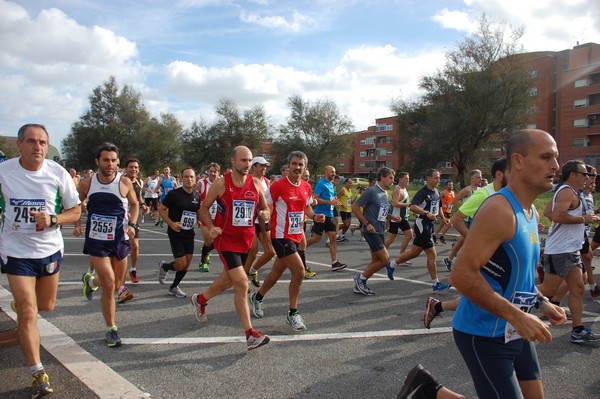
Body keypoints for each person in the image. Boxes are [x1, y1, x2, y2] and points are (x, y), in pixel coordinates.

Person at [450, 129, 567, 399]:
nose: (555, 166)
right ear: (517, 161)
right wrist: (517, 315)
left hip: (515, 328)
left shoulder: (531, 211)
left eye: (556, 158)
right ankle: (430, 392)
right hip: (483, 333)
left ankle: (427, 390)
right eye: (546, 157)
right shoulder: (499, 210)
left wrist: (542, 302)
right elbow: (461, 275)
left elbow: (520, 276)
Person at [0, 124, 81, 398]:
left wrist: (54, 219)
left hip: (49, 250)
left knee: (45, 306)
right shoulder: (4, 171)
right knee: (27, 311)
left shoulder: (57, 173)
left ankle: (26, 303)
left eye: (43, 142)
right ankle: (38, 372)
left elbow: (76, 210)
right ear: (20, 145)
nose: (38, 147)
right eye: (32, 142)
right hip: (16, 251)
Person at [189, 146, 271, 350]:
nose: (247, 164)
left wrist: (265, 214)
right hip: (226, 241)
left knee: (227, 280)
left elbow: (264, 208)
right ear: (233, 161)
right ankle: (250, 334)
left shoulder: (257, 184)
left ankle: (200, 299)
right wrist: (210, 227)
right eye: (243, 160)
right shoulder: (221, 183)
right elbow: (203, 208)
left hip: (246, 241)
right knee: (242, 283)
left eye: (249, 160)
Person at [425, 158, 508, 328]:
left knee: (486, 293)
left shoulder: (511, 195)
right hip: (487, 253)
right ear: (500, 175)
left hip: (502, 251)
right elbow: (457, 219)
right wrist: (474, 239)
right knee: (488, 293)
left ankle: (438, 306)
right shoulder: (484, 194)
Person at [249, 151, 324, 330]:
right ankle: (293, 313)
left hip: (297, 235)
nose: (297, 167)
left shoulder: (306, 186)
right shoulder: (278, 186)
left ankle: (257, 297)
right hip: (281, 236)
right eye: (294, 164)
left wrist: (315, 216)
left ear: (305, 167)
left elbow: (306, 208)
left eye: (300, 165)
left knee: (276, 273)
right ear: (288, 166)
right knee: (299, 272)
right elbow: (265, 203)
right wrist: (266, 212)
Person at [74, 142, 139, 348]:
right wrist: (76, 223)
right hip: (96, 241)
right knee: (110, 283)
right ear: (97, 161)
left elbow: (135, 204)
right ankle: (111, 328)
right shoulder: (87, 183)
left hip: (119, 239)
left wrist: (132, 224)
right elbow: (75, 204)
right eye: (105, 160)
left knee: (117, 284)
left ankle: (91, 283)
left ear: (117, 162)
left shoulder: (125, 182)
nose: (110, 164)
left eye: (113, 160)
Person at [537, 159, 600, 343]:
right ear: (573, 175)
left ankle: (578, 331)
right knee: (547, 289)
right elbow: (556, 215)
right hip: (560, 250)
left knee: (578, 288)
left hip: (571, 249)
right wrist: (583, 219)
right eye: (584, 174)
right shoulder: (566, 192)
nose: (587, 177)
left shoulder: (572, 192)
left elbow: (549, 211)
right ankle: (508, 302)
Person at [386, 169, 451, 291]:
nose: (438, 180)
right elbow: (413, 206)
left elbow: (439, 207)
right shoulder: (422, 193)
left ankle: (392, 264)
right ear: (428, 178)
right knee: (432, 254)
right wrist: (426, 213)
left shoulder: (436, 192)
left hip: (430, 225)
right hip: (422, 224)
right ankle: (435, 283)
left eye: (439, 178)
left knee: (414, 253)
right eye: (436, 178)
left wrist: (443, 218)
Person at [351, 167, 399, 295]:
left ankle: (360, 284)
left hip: (380, 230)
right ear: (382, 177)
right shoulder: (372, 191)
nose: (392, 181)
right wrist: (366, 224)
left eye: (393, 178)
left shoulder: (385, 193)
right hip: (371, 230)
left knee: (376, 260)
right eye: (390, 178)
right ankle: (360, 279)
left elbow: (381, 212)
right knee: (385, 259)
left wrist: (391, 216)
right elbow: (355, 207)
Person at [157, 167, 202, 298]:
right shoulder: (174, 194)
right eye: (186, 177)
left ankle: (173, 286)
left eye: (191, 177)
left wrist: (202, 222)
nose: (189, 179)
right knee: (181, 264)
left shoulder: (197, 195)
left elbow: (198, 211)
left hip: (189, 233)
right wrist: (171, 223)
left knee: (186, 265)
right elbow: (161, 209)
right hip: (176, 233)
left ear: (195, 179)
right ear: (181, 179)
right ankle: (165, 267)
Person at [305, 165, 347, 271]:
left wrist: (336, 202)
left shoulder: (331, 185)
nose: (334, 173)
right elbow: (315, 199)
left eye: (334, 172)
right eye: (332, 172)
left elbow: (332, 198)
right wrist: (329, 202)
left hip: (330, 215)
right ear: (326, 172)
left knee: (333, 238)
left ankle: (334, 263)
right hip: (321, 215)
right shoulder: (321, 183)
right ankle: (299, 248)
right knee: (316, 239)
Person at [244, 157, 276, 287]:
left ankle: (253, 270)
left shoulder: (267, 182)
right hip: (250, 221)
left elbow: (269, 203)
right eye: (261, 166)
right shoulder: (248, 180)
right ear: (254, 167)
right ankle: (243, 280)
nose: (264, 169)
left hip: (263, 220)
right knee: (253, 252)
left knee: (270, 252)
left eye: (266, 166)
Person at [124, 158, 147, 286]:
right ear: (126, 169)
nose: (133, 169)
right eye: (131, 167)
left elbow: (138, 196)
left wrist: (143, 204)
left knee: (135, 246)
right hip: (120, 218)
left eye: (136, 167)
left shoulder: (139, 182)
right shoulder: (121, 182)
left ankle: (132, 270)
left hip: (133, 219)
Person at [195, 162, 221, 272]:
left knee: (216, 242)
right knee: (207, 240)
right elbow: (194, 198)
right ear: (208, 172)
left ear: (218, 173)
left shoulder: (222, 184)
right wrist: (197, 213)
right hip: (204, 217)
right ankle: (203, 262)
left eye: (215, 171)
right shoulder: (202, 183)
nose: (212, 173)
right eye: (211, 171)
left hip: (218, 218)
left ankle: (206, 251)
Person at [384, 172, 413, 261]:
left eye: (408, 179)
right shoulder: (398, 189)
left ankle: (400, 255)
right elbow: (395, 204)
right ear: (400, 179)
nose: (407, 180)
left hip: (403, 217)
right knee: (405, 236)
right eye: (406, 179)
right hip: (397, 218)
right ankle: (400, 256)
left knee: (394, 237)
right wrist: (408, 204)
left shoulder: (404, 189)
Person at [336, 177, 353, 242]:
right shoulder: (342, 190)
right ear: (346, 183)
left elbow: (349, 200)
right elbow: (337, 198)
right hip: (343, 209)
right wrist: (342, 205)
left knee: (349, 224)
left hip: (349, 209)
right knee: (346, 224)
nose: (350, 184)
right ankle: (335, 229)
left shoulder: (350, 190)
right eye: (349, 183)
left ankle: (342, 235)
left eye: (351, 183)